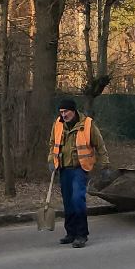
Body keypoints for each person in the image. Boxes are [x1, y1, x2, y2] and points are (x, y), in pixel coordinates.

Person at [50, 98, 110, 248]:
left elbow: (100, 145)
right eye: (61, 112)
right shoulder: (58, 124)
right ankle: (70, 233)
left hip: (80, 168)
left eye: (66, 112)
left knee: (77, 199)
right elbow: (52, 143)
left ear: (73, 111)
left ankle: (81, 234)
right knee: (68, 202)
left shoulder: (87, 124)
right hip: (63, 168)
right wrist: (51, 159)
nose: (63, 115)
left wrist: (105, 166)